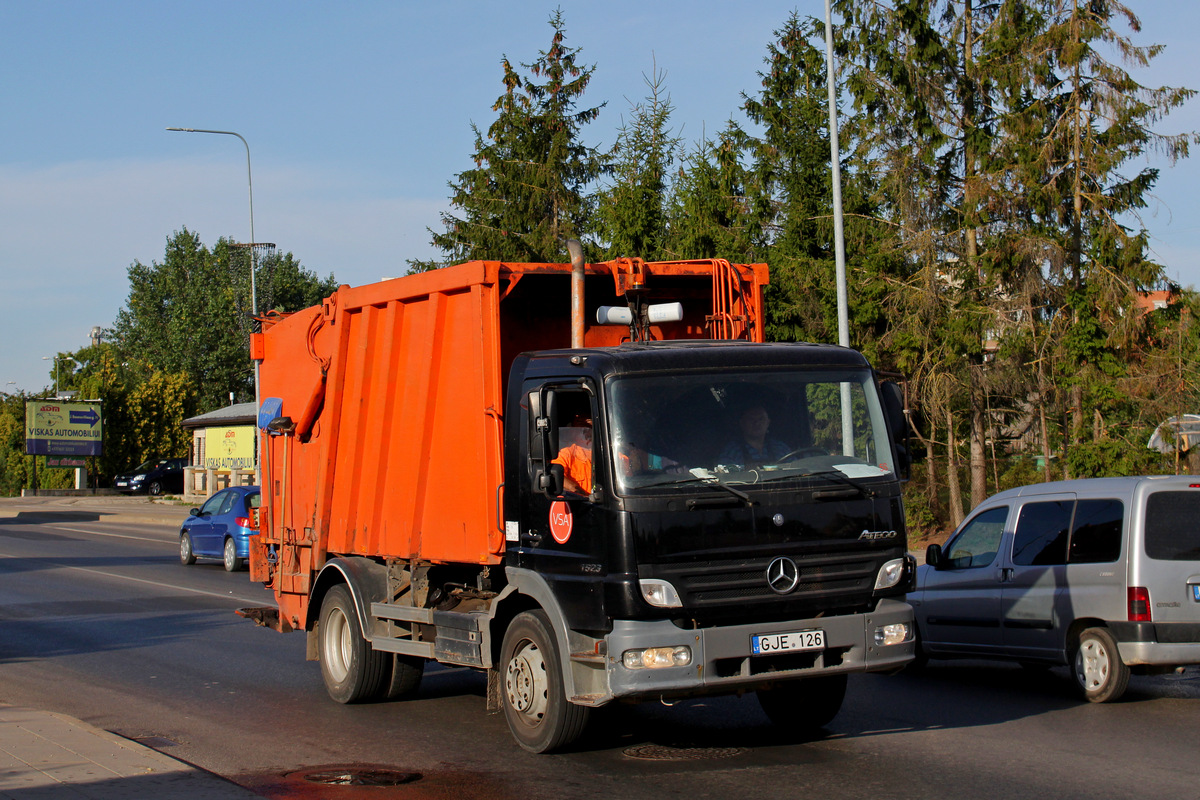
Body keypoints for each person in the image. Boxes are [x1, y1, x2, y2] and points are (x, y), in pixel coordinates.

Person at [719, 404, 789, 467]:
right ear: (742, 423)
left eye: (761, 419)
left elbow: (795, 469)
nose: (757, 423)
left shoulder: (780, 448)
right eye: (751, 419)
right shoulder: (732, 451)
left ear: (768, 423)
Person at [553, 415, 593, 494]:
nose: (584, 429)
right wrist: (579, 492)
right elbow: (556, 475)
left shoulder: (611, 454)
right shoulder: (566, 454)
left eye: (587, 426)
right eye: (579, 423)